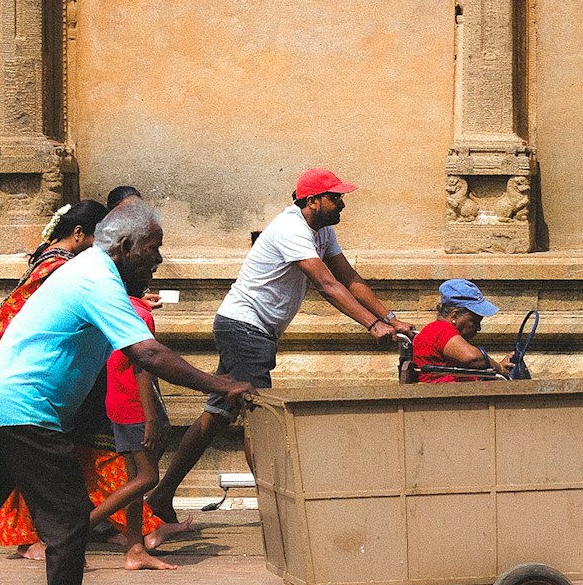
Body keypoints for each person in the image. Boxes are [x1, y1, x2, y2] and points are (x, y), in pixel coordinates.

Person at [0, 201, 252, 585]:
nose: (158, 259)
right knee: (69, 522)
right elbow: (147, 354)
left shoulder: (88, 270)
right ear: (126, 247)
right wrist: (220, 383)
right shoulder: (96, 278)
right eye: (154, 248)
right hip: (25, 411)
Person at [146, 168, 414, 524]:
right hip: (245, 329)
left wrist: (390, 318)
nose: (342, 204)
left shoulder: (322, 231)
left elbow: (349, 278)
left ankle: (163, 493)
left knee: (218, 415)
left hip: (250, 330)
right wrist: (371, 324)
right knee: (261, 421)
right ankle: (279, 512)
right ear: (311, 201)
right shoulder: (291, 229)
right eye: (335, 198)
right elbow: (326, 284)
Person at [0, 199, 108, 560]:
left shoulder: (52, 260)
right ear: (78, 234)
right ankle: (35, 545)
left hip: (6, 391)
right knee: (65, 517)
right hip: (20, 392)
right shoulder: (63, 269)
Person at [88, 289, 177, 572]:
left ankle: (135, 548)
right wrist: (150, 417)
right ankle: (79, 528)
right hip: (134, 406)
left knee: (133, 480)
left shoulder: (120, 309)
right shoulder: (142, 317)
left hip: (116, 403)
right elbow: (143, 367)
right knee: (148, 478)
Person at [410, 280, 514, 382]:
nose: (478, 328)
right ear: (454, 316)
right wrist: (500, 368)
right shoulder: (441, 330)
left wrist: (500, 366)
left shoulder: (437, 329)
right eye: (474, 321)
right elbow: (473, 358)